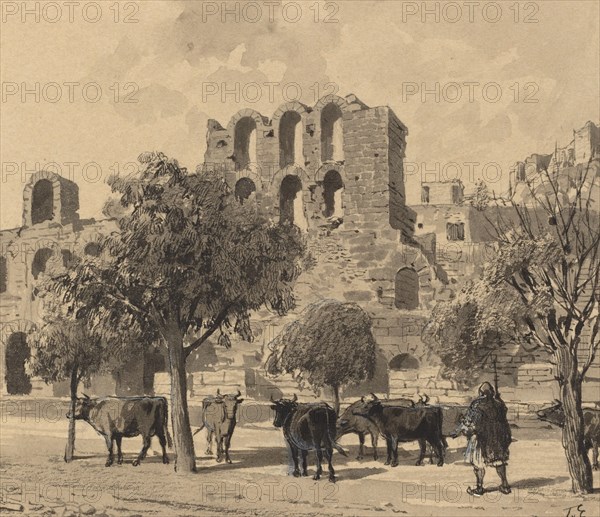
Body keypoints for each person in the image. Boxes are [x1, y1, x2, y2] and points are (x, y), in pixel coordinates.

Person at [453, 381, 512, 496]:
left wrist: (461, 427)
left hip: (482, 437)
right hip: (498, 437)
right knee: (499, 461)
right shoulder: (499, 404)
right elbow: (503, 414)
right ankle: (505, 485)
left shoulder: (477, 404)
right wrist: (499, 399)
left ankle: (479, 488)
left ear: (480, 393)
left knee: (478, 463)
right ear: (492, 392)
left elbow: (470, 421)